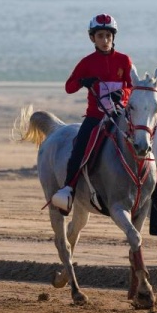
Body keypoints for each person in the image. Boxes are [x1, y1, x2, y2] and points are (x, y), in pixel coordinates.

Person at [51, 13, 133, 213]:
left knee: (144, 140)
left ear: (113, 37)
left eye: (108, 36)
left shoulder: (124, 60)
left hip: (119, 116)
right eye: (100, 36)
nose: (105, 40)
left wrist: (123, 93)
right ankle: (68, 190)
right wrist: (82, 82)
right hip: (96, 117)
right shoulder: (87, 62)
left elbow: (133, 87)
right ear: (92, 38)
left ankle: (156, 187)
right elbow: (68, 87)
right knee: (79, 148)